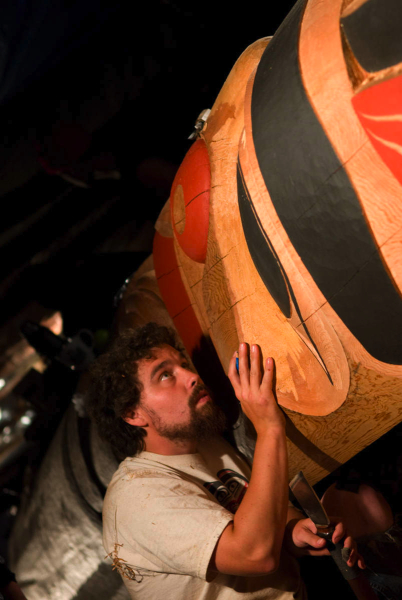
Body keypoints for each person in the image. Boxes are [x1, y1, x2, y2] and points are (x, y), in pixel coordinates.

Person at [86, 322, 364, 599]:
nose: (192, 376)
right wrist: (269, 426)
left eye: (184, 364)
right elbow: (254, 555)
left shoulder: (207, 443)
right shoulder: (135, 497)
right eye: (165, 375)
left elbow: (262, 513)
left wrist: (293, 531)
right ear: (133, 414)